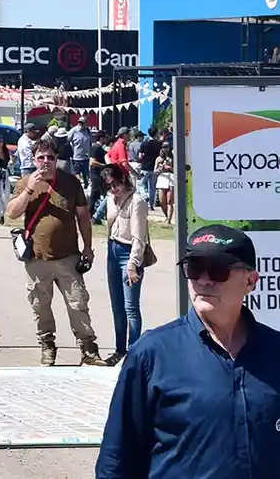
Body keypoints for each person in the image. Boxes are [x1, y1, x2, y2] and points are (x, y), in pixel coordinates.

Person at [98, 224, 279, 479]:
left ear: (250, 280)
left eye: (218, 270)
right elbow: (117, 459)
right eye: (194, 269)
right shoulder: (152, 354)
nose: (204, 280)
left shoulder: (276, 352)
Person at [5, 137, 101, 366]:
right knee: (40, 306)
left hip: (68, 256)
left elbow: (83, 217)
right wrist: (29, 189)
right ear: (34, 160)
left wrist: (87, 247)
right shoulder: (26, 182)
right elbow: (12, 213)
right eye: (41, 158)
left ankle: (88, 349)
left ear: (56, 159)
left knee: (78, 304)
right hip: (37, 259)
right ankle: (47, 345)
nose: (46, 162)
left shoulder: (70, 182)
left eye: (50, 157)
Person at [102, 162, 149, 367]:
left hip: (129, 253)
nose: (113, 189)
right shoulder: (111, 200)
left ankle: (133, 351)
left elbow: (140, 237)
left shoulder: (137, 201)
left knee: (131, 306)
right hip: (112, 250)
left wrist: (133, 264)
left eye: (115, 183)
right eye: (108, 185)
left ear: (124, 180)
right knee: (117, 307)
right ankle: (119, 349)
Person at [137, 130, 162, 209]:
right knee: (152, 186)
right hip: (154, 167)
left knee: (141, 183)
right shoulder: (158, 144)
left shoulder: (144, 144)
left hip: (145, 167)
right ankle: (151, 204)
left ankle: (145, 195)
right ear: (156, 134)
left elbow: (140, 156)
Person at [154, 147, 174, 224]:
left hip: (171, 178)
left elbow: (177, 169)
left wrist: (170, 168)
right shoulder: (158, 159)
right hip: (162, 178)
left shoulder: (172, 157)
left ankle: (169, 219)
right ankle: (166, 216)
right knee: (162, 201)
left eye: (167, 147)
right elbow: (155, 171)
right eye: (164, 148)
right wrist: (160, 169)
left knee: (169, 200)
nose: (165, 149)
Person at [70, 118, 92, 184]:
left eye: (82, 123)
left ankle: (86, 185)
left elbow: (90, 142)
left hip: (86, 157)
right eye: (79, 122)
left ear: (85, 124)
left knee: (86, 175)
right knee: (77, 173)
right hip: (77, 157)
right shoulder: (73, 130)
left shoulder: (88, 130)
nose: (80, 124)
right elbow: (67, 140)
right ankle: (78, 186)